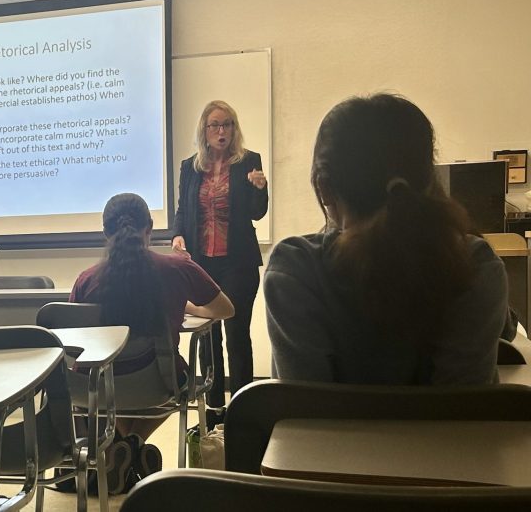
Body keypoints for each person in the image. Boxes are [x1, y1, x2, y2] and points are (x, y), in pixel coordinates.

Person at [265, 93, 507, 385]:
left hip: (321, 433)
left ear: (324, 186)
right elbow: (464, 415)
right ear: (428, 179)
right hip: (450, 433)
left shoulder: (293, 269)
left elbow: (302, 418)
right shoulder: (477, 264)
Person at [72, 193, 234, 492]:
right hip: (161, 381)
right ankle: (134, 444)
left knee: (115, 380)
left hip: (99, 389)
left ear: (105, 233)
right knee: (169, 385)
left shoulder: (86, 280)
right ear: (150, 226)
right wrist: (190, 307)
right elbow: (226, 309)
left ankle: (123, 447)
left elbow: (75, 339)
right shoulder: (178, 269)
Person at [172, 100, 268, 410]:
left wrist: (260, 188)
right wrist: (177, 235)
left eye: (227, 124)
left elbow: (257, 213)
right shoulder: (190, 166)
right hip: (203, 264)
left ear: (234, 129)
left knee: (237, 335)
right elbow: (183, 209)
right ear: (205, 130)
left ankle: (243, 409)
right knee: (208, 340)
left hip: (238, 263)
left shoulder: (248, 161)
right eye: (215, 125)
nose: (221, 131)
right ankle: (213, 410)